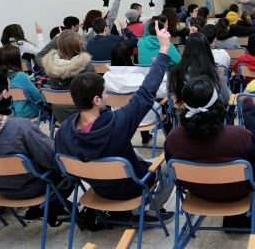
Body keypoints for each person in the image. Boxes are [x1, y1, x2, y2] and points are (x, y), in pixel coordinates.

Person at [54, 21, 174, 222]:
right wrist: (163, 50)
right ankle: (150, 211)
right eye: (104, 92)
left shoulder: (64, 130)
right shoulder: (116, 123)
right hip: (131, 185)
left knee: (129, 150)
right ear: (96, 100)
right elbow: (146, 94)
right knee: (171, 163)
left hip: (98, 187)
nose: (107, 95)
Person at [165, 76, 255, 214]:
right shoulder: (239, 136)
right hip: (237, 192)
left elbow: (173, 173)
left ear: (185, 105)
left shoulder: (173, 138)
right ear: (217, 102)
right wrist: (251, 113)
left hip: (197, 192)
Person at [0, 66, 72, 221]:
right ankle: (48, 208)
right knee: (70, 167)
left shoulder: (18, 128)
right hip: (34, 188)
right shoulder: (20, 128)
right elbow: (55, 159)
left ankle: (46, 209)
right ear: (4, 94)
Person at [103, 42, 168, 145]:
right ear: (131, 57)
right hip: (146, 118)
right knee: (161, 104)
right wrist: (159, 70)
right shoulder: (141, 78)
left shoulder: (106, 77)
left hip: (119, 117)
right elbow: (164, 91)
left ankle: (145, 137)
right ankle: (168, 142)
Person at [41, 31, 95, 123]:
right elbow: (96, 88)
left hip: (60, 115)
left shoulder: (51, 67)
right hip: (83, 114)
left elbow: (40, 55)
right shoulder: (85, 66)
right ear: (77, 45)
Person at [168, 33, 231, 105]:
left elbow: (171, 97)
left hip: (182, 113)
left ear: (186, 49)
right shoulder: (214, 72)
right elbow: (226, 99)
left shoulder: (174, 72)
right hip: (209, 114)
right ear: (207, 49)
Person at [0, 45, 42, 119]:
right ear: (15, 59)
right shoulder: (20, 75)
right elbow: (37, 97)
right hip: (26, 112)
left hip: (7, 114)